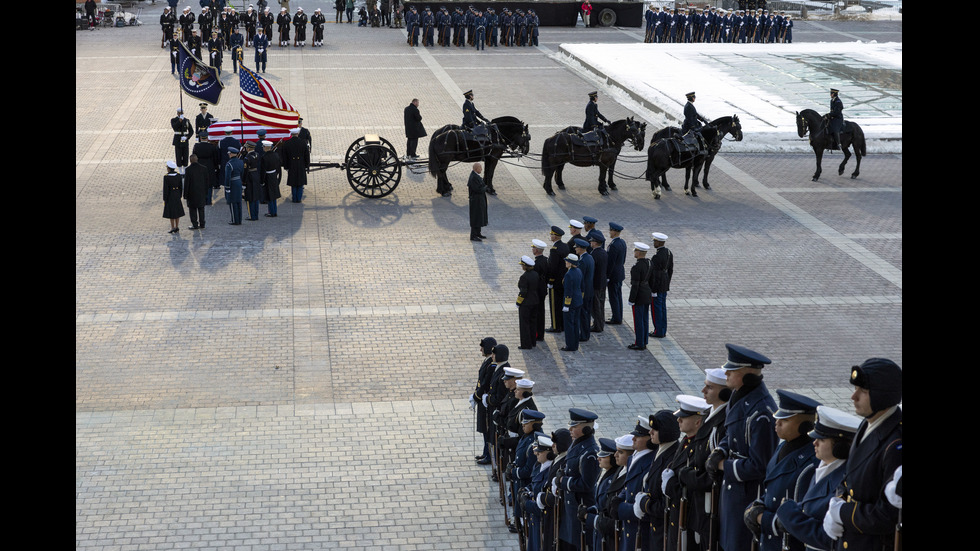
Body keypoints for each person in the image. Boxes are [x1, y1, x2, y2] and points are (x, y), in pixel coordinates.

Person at [822, 358, 902, 551]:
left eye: (863, 392)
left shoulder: (895, 444)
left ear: (882, 397)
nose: (853, 396)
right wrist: (838, 501)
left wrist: (844, 513)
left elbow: (888, 515)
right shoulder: (869, 423)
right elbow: (851, 477)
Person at [706, 344, 779, 551]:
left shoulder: (762, 412)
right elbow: (730, 435)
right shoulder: (739, 396)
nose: (726, 373)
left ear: (747, 375)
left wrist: (723, 465)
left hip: (747, 495)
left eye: (732, 370)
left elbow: (760, 465)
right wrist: (719, 450)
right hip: (732, 494)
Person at [774, 406, 862, 551]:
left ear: (839, 446)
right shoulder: (823, 467)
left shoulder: (845, 481)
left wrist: (789, 516)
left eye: (821, 439)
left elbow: (829, 538)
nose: (814, 442)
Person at [745, 390, 820, 551]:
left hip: (788, 543)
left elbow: (803, 513)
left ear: (805, 426)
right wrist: (756, 505)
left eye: (784, 420)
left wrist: (763, 519)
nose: (777, 423)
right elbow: (772, 488)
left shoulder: (811, 463)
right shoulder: (783, 447)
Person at [663, 395, 711, 551]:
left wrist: (670, 485)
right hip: (676, 518)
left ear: (698, 421)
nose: (678, 420)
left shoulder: (699, 447)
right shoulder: (686, 441)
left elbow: (694, 487)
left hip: (689, 519)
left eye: (683, 417)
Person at [629, 410, 681, 550]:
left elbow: (668, 504)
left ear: (666, 431)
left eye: (655, 429)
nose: (650, 432)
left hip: (664, 530)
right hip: (655, 529)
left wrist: (645, 504)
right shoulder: (661, 450)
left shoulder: (673, 458)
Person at [610, 415, 656, 551]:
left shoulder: (650, 461)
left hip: (639, 529)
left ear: (649, 439)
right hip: (629, 528)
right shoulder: (634, 458)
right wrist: (619, 498)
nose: (633, 439)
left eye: (639, 436)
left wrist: (621, 509)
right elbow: (628, 486)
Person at [558, 408, 600, 550]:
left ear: (586, 429)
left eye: (575, 426)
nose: (570, 428)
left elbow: (587, 484)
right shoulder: (576, 443)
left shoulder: (590, 452)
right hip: (571, 506)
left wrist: (564, 482)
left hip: (580, 504)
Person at [471, 336, 498, 465]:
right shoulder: (487, 362)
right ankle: (485, 452)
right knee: (484, 428)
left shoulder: (491, 365)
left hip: (485, 401)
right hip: (482, 400)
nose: (480, 349)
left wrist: (476, 396)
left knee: (487, 428)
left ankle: (488, 454)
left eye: (482, 346)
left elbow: (485, 383)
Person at [627, 242, 653, 350]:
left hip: (639, 296)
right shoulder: (649, 263)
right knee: (645, 319)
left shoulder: (637, 267)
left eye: (635, 250)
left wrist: (631, 299)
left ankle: (639, 343)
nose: (634, 252)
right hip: (647, 293)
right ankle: (644, 340)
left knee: (638, 320)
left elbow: (635, 285)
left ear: (639, 252)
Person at [649, 232, 673, 339]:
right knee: (663, 308)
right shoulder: (668, 253)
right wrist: (667, 282)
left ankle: (658, 330)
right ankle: (663, 329)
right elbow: (670, 270)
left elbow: (654, 275)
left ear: (659, 242)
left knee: (656, 309)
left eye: (655, 241)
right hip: (664, 283)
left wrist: (653, 289)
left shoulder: (656, 257)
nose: (654, 243)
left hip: (658, 286)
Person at [545, 226, 568, 334]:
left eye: (551, 234)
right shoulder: (565, 246)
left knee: (554, 305)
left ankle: (555, 326)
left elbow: (552, 267)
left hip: (556, 281)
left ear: (555, 236)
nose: (550, 236)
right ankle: (562, 325)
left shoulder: (554, 250)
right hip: (563, 279)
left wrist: (550, 281)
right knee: (561, 303)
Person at [571, 239, 593, 344]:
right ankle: (586, 333)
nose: (575, 248)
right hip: (590, 290)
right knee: (587, 313)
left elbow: (581, 278)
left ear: (580, 248)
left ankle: (584, 335)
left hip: (584, 291)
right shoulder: (589, 257)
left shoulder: (583, 261)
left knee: (583, 313)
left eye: (576, 247)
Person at [516, 256, 541, 350]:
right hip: (535, 301)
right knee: (533, 322)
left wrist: (518, 302)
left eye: (522, 265)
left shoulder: (524, 277)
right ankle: (533, 341)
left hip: (526, 303)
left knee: (524, 324)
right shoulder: (535, 274)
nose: (522, 266)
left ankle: (526, 344)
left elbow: (523, 292)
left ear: (526, 266)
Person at [605, 222, 626, 325]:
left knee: (613, 297)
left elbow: (610, 263)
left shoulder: (613, 245)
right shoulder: (622, 242)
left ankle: (616, 318)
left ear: (614, 231)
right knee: (618, 296)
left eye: (610, 230)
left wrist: (607, 276)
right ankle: (619, 315)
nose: (609, 232)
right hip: (620, 273)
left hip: (613, 275)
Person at [560, 254, 582, 352]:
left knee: (569, 325)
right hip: (578, 301)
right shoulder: (578, 271)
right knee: (576, 324)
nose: (565, 262)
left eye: (567, 261)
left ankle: (570, 345)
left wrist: (566, 305)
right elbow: (582, 287)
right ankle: (575, 344)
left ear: (571, 263)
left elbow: (568, 291)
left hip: (571, 303)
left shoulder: (569, 274)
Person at [191, 129, 220, 205]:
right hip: (210, 167)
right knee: (209, 184)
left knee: (201, 184)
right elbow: (215, 158)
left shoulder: (196, 146)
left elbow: (194, 156)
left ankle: (202, 200)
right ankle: (209, 200)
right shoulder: (211, 147)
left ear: (200, 138)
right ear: (207, 138)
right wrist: (216, 167)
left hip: (199, 166)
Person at [281, 128, 309, 203]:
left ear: (291, 134)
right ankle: (299, 198)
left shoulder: (287, 143)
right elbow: (307, 155)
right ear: (298, 134)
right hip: (301, 164)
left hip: (291, 164)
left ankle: (294, 198)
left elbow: (285, 156)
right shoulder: (303, 143)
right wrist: (307, 165)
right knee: (300, 182)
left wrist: (286, 166)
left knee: (293, 182)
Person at [587, 231, 607, 333]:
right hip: (602, 283)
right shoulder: (604, 252)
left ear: (595, 243)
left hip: (595, 284)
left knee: (596, 307)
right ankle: (599, 323)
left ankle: (598, 326)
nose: (590, 243)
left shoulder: (594, 254)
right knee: (601, 305)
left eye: (592, 241)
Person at [183, 154, 210, 229]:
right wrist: (206, 192)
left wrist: (185, 195)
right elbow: (207, 181)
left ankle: (195, 224)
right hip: (201, 193)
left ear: (190, 160)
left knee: (192, 210)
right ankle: (202, 224)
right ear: (197, 159)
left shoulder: (188, 170)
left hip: (192, 194)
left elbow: (186, 183)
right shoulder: (204, 168)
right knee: (201, 209)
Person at [530, 239, 549, 342]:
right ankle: (540, 333)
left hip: (537, 291)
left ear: (536, 250)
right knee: (541, 312)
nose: (532, 249)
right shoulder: (545, 259)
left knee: (537, 313)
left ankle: (538, 334)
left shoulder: (536, 264)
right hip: (543, 289)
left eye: (533, 247)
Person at [242, 142, 263, 221]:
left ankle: (251, 216)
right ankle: (256, 214)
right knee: (256, 197)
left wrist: (243, 182)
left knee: (250, 197)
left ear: (248, 148)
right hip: (256, 175)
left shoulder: (247, 158)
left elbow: (245, 171)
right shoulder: (257, 154)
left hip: (249, 177)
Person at [224, 147, 245, 225]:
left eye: (229, 153)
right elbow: (242, 173)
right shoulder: (241, 162)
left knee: (232, 202)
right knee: (238, 201)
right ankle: (239, 219)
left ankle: (234, 220)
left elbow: (227, 177)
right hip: (239, 182)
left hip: (232, 183)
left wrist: (227, 187)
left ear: (231, 154)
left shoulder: (229, 164)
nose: (229, 155)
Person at [163, 161, 185, 233]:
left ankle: (172, 227)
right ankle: (177, 226)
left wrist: (165, 198)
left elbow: (165, 189)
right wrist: (180, 195)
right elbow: (181, 186)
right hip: (177, 194)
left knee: (171, 212)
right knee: (177, 211)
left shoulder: (166, 177)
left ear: (169, 169)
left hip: (170, 195)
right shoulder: (178, 175)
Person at [261, 140, 283, 215]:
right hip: (274, 175)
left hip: (267, 176)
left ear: (265, 148)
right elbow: (278, 165)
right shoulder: (275, 155)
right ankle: (274, 211)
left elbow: (263, 170)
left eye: (263, 147)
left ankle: (271, 212)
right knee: (274, 194)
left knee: (269, 195)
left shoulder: (264, 157)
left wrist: (262, 181)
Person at [468, 163, 488, 240]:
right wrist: (485, 187)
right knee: (475, 217)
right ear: (476, 169)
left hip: (479, 200)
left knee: (479, 217)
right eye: (480, 168)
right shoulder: (473, 177)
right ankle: (473, 235)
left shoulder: (476, 176)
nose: (481, 169)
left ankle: (478, 233)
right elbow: (477, 189)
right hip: (476, 201)